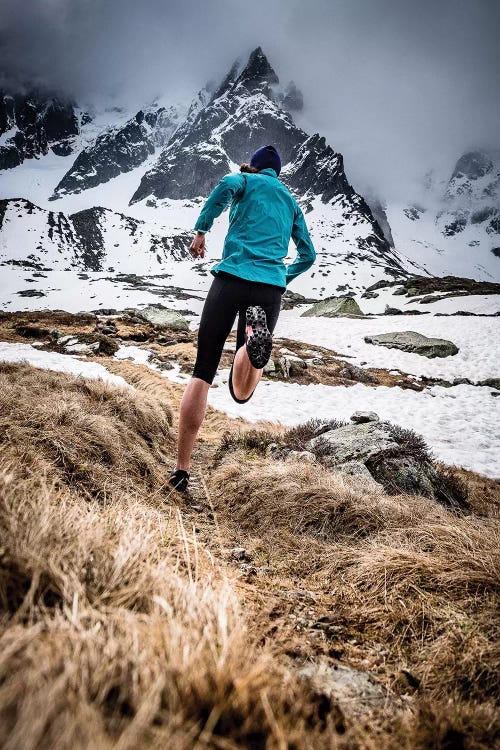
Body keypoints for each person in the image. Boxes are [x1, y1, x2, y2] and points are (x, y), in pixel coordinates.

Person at [168, 144, 316, 492]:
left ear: (256, 167)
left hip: (230, 279)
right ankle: (250, 348)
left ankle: (181, 471)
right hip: (269, 290)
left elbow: (223, 188)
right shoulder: (291, 203)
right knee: (242, 392)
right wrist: (281, 276)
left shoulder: (245, 182)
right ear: (277, 172)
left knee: (202, 372)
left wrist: (201, 229)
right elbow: (308, 254)